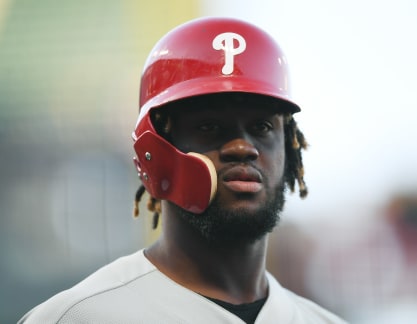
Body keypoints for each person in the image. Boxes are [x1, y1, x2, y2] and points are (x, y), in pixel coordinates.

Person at [19, 17, 347, 324]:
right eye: (209, 126)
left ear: (289, 149)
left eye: (261, 127)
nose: (243, 148)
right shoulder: (77, 317)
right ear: (154, 154)